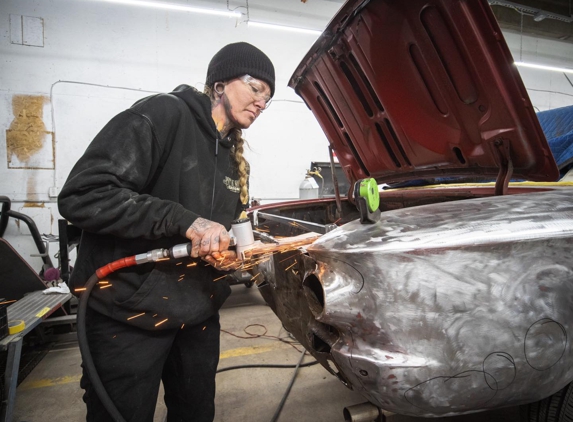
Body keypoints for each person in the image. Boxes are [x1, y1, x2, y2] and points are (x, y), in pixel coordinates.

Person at [58, 42, 275, 422]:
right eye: (255, 88)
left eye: (267, 99)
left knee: (195, 412)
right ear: (220, 83)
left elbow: (221, 230)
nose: (261, 103)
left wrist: (232, 255)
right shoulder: (163, 115)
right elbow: (84, 194)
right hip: (127, 313)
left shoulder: (233, 159)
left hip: (196, 313)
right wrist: (185, 221)